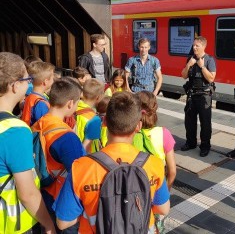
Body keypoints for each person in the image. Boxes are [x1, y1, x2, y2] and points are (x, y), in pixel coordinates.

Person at [54, 91, 170, 233]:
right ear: (138, 126)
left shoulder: (81, 167)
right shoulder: (154, 163)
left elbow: (63, 222)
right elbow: (163, 208)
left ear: (104, 122)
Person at [0, 52, 56, 234]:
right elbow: (28, 193)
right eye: (27, 79)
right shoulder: (14, 131)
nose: (30, 84)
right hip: (12, 225)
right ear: (15, 86)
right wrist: (48, 224)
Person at [31, 77, 85, 232]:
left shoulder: (40, 123)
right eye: (77, 101)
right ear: (70, 103)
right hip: (61, 201)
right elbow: (79, 175)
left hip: (43, 192)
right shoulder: (66, 137)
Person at [136, 91, 176, 234]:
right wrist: (166, 190)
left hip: (135, 192)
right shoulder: (164, 133)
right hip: (157, 190)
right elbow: (172, 171)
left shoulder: (131, 132)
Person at [180, 36, 216, 157]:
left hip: (204, 96)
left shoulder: (209, 60)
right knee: (189, 121)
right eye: (193, 45)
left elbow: (211, 78)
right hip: (192, 95)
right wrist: (188, 65)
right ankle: (191, 143)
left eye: (197, 46)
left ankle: (205, 146)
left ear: (203, 47)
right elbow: (184, 76)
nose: (194, 47)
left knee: (205, 123)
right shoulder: (190, 59)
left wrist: (202, 66)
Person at [21, 61, 55, 126]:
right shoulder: (40, 103)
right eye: (52, 78)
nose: (53, 80)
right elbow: (46, 126)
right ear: (46, 81)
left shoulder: (30, 97)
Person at [75, 78, 103, 153]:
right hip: (88, 156)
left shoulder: (73, 108)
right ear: (98, 97)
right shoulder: (94, 119)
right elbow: (87, 145)